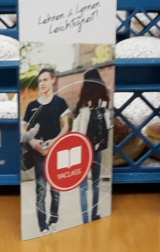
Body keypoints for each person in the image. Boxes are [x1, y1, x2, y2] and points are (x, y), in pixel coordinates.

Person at [22, 67, 70, 233]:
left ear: (53, 80)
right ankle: (43, 226)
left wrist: (55, 141)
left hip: (56, 152)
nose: (42, 83)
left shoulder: (60, 103)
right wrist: (33, 141)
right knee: (41, 191)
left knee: (56, 190)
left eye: (45, 79)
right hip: (39, 154)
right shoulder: (32, 106)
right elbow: (23, 129)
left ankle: (54, 219)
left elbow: (66, 127)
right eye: (40, 81)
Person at [71, 69, 110, 223]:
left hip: (83, 149)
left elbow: (76, 129)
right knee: (96, 183)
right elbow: (107, 126)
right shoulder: (105, 102)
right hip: (98, 148)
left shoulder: (82, 104)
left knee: (83, 186)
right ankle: (94, 214)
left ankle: (85, 219)